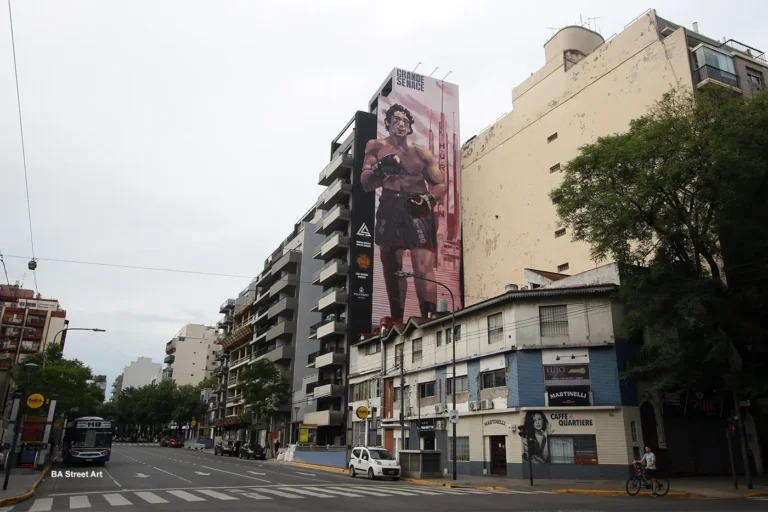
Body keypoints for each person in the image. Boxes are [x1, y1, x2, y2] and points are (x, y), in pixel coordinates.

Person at [361, 103, 447, 321]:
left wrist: (428, 200)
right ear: (387, 123)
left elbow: (441, 184)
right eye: (396, 119)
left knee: (423, 264)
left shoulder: (421, 152)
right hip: (390, 204)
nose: (401, 124)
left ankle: (428, 319)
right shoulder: (376, 146)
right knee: (391, 265)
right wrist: (381, 167)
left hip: (416, 206)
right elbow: (366, 183)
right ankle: (396, 319)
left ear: (409, 127)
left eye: (405, 121)